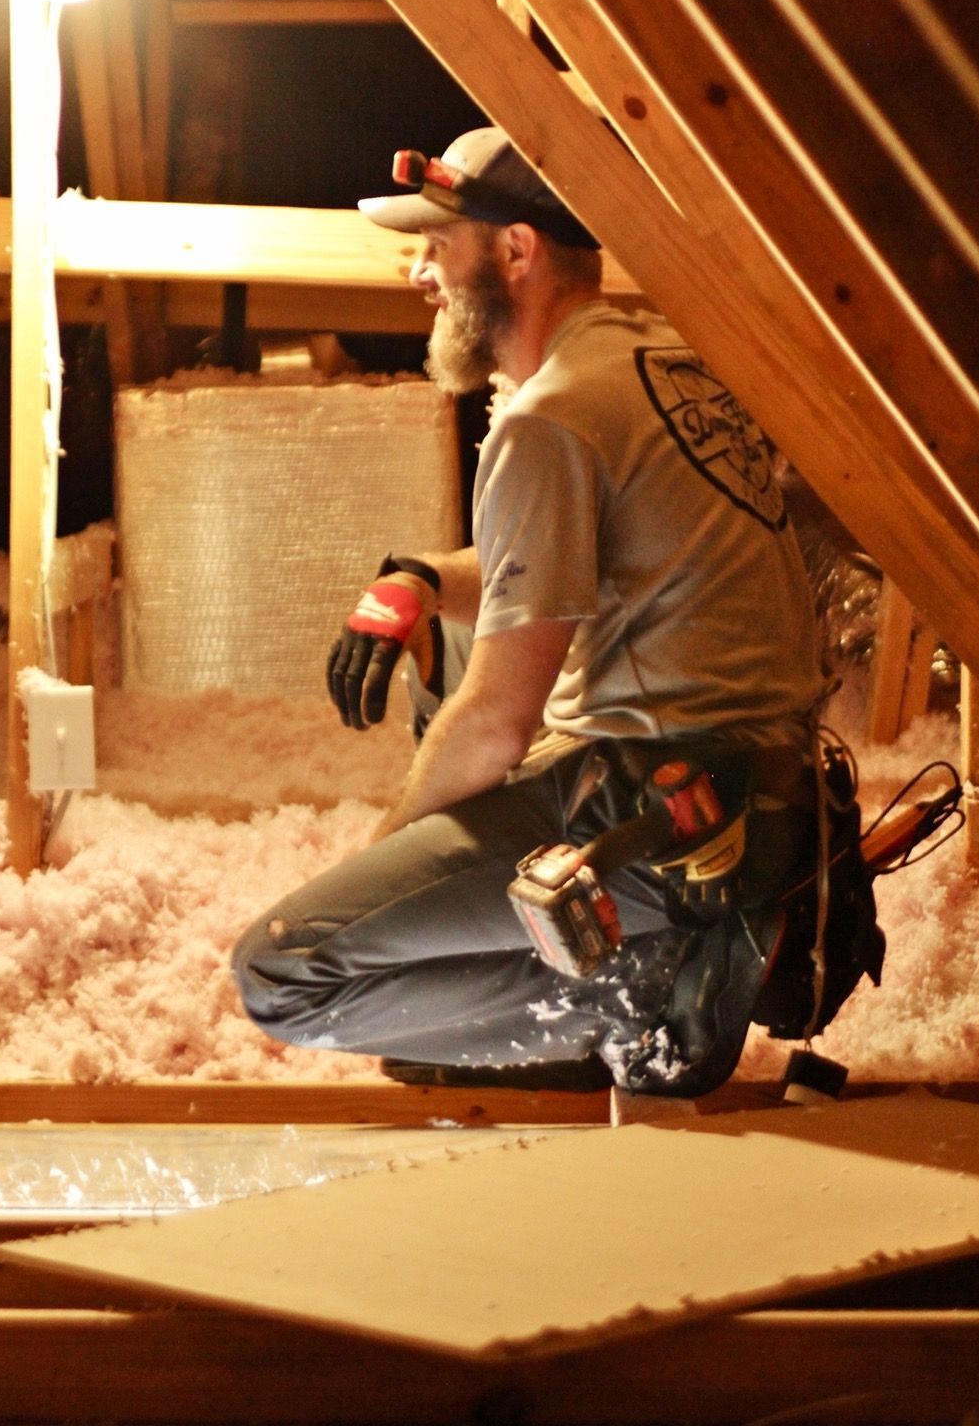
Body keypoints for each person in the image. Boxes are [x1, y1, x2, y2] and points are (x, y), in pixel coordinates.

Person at [233, 127, 882, 1094]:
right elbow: (547, 577)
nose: (419, 273)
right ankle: (617, 986)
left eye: (436, 246)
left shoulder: (551, 419)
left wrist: (396, 858)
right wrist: (413, 578)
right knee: (431, 1039)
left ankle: (647, 995)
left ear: (514, 250)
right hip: (768, 808)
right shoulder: (657, 365)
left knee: (286, 972)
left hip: (658, 817)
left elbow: (498, 723)